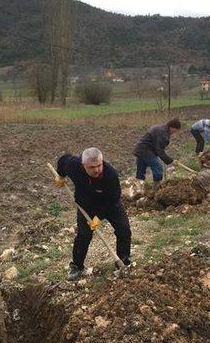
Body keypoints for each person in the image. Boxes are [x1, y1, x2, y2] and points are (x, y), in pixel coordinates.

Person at [55, 148, 131, 281]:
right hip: (86, 206)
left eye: (99, 165)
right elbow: (62, 161)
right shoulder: (73, 165)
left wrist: (98, 218)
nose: (96, 170)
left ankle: (123, 260)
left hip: (109, 204)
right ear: (83, 165)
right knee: (84, 235)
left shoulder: (110, 175)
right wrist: (60, 176)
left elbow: (113, 200)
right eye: (91, 167)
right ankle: (77, 266)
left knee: (124, 230)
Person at [133, 118, 181, 186]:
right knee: (158, 167)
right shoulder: (163, 133)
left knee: (141, 171)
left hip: (140, 149)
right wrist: (171, 160)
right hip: (146, 150)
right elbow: (160, 150)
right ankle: (156, 187)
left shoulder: (161, 128)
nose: (175, 132)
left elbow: (158, 148)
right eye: (176, 130)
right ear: (172, 127)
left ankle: (139, 187)